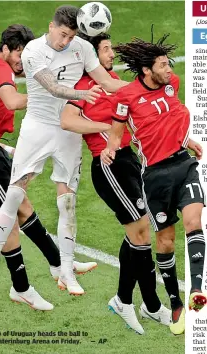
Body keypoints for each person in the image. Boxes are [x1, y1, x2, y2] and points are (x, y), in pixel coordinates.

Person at [0, 5, 127, 296]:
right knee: (15, 193)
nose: (65, 42)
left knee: (67, 202)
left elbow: (108, 81)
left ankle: (67, 272)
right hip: (38, 127)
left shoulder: (82, 47)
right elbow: (53, 88)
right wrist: (83, 93)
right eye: (62, 35)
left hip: (67, 131)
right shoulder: (33, 51)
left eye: (71, 36)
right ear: (51, 26)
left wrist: (142, 91)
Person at [0, 24, 96, 310]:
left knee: (23, 208)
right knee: (9, 218)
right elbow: (11, 101)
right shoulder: (0, 68)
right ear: (6, 49)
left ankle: (58, 265)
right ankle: (21, 287)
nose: (23, 60)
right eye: (19, 53)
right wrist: (48, 92)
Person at [61, 33, 171, 334]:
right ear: (91, 55)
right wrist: (107, 130)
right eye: (106, 49)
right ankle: (147, 304)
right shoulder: (84, 85)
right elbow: (68, 121)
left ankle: (129, 301)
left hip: (130, 160)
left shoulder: (111, 80)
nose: (111, 54)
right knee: (140, 230)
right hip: (108, 165)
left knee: (139, 231)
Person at [101, 34, 207, 335]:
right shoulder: (127, 97)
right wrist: (110, 147)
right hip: (156, 176)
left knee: (194, 221)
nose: (168, 69)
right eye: (162, 65)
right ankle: (175, 303)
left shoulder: (171, 82)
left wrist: (185, 139)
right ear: (146, 70)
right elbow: (118, 131)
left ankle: (197, 291)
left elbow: (171, 117)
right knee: (166, 241)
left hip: (183, 164)